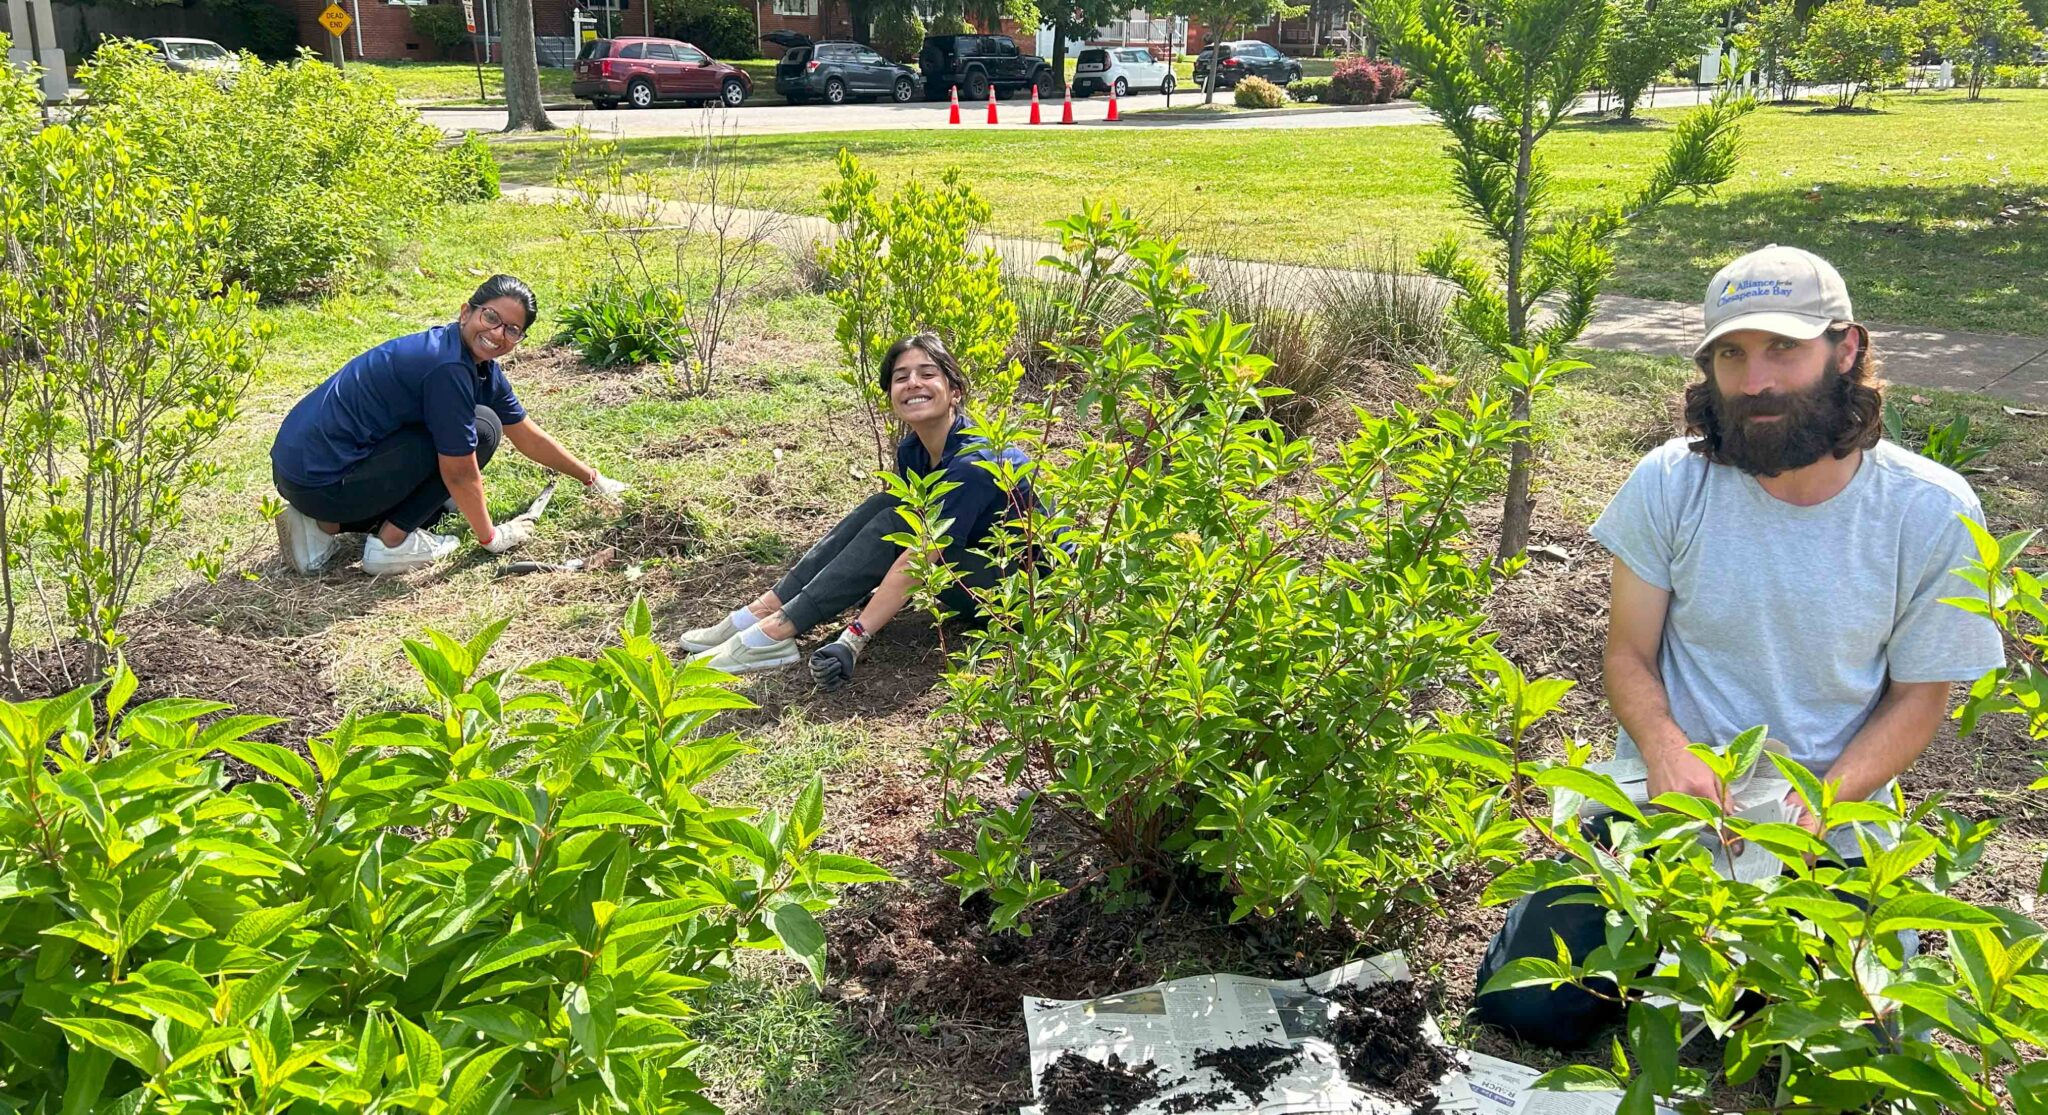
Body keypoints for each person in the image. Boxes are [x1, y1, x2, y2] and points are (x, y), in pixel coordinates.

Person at [1470, 245, 2005, 1049]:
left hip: (1826, 810)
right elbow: (1628, 655)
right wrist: (1665, 751)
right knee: (1531, 1006)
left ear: (1846, 348)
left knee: (1853, 1044)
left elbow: (1919, 696)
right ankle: (1638, 927)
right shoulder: (1669, 482)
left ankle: (1709, 968)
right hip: (1666, 801)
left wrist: (1817, 807)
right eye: (1731, 353)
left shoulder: (1929, 511)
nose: (1755, 381)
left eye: (1783, 349)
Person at [680, 333, 1031, 690]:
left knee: (899, 524)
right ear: (891, 395)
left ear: (954, 390)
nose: (913, 383)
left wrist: (853, 637)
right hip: (978, 575)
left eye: (927, 374)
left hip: (1022, 601)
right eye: (901, 377)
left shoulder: (974, 462)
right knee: (888, 505)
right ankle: (763, 610)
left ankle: (778, 631)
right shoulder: (914, 451)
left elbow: (919, 557)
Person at [269, 275, 628, 576]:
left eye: (513, 330)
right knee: (481, 431)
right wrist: (491, 537)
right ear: (465, 312)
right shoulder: (448, 369)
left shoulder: (468, 359)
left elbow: (526, 434)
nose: (498, 333)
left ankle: (320, 526)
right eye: (491, 317)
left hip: (301, 471)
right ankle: (390, 544)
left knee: (479, 426)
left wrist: (592, 478)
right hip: (325, 482)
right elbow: (459, 472)